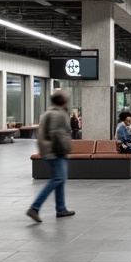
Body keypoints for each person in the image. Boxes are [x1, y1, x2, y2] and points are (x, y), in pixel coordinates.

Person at [26, 88, 76, 223]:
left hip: (50, 150)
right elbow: (56, 134)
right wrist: (64, 149)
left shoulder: (50, 112)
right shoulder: (57, 114)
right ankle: (34, 208)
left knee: (60, 179)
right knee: (57, 179)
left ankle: (61, 208)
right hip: (55, 151)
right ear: (63, 101)